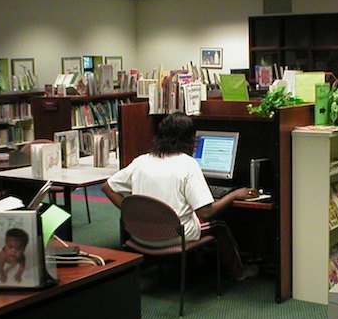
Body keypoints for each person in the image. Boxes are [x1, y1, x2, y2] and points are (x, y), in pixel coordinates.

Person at [102, 112, 259, 281]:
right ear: (190, 139)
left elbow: (107, 187)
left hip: (140, 235)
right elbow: (205, 213)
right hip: (174, 237)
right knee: (219, 226)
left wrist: (131, 212)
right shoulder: (188, 164)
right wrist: (234, 194)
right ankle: (239, 272)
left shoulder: (141, 161)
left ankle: (193, 266)